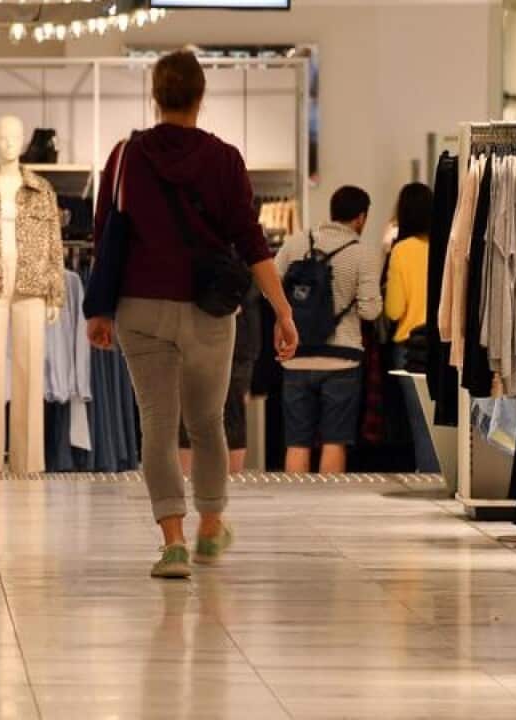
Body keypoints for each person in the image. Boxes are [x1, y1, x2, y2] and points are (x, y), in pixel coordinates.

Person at [86, 50, 299, 580]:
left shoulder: (125, 157)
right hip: (208, 310)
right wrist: (283, 310)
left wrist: (99, 309)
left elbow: (104, 235)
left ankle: (173, 543)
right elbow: (252, 242)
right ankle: (209, 527)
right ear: (201, 97)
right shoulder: (224, 159)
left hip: (140, 307)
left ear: (155, 96)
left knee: (157, 425)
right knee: (206, 422)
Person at [275, 186, 383, 474]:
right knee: (334, 440)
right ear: (361, 218)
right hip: (342, 358)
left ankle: (292, 507)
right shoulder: (364, 254)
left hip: (296, 355)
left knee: (297, 442)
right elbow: (370, 311)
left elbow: (270, 288)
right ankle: (327, 508)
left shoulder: (296, 243)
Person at [385, 182, 441, 472]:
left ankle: (428, 475)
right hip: (444, 343)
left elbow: (394, 308)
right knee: (443, 419)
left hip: (411, 346)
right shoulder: (445, 247)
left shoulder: (402, 250)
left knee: (420, 421)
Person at [179, 287, 261, 477]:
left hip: (226, 341)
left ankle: (193, 478)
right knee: (229, 411)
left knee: (197, 409)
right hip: (233, 341)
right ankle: (223, 479)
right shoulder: (247, 265)